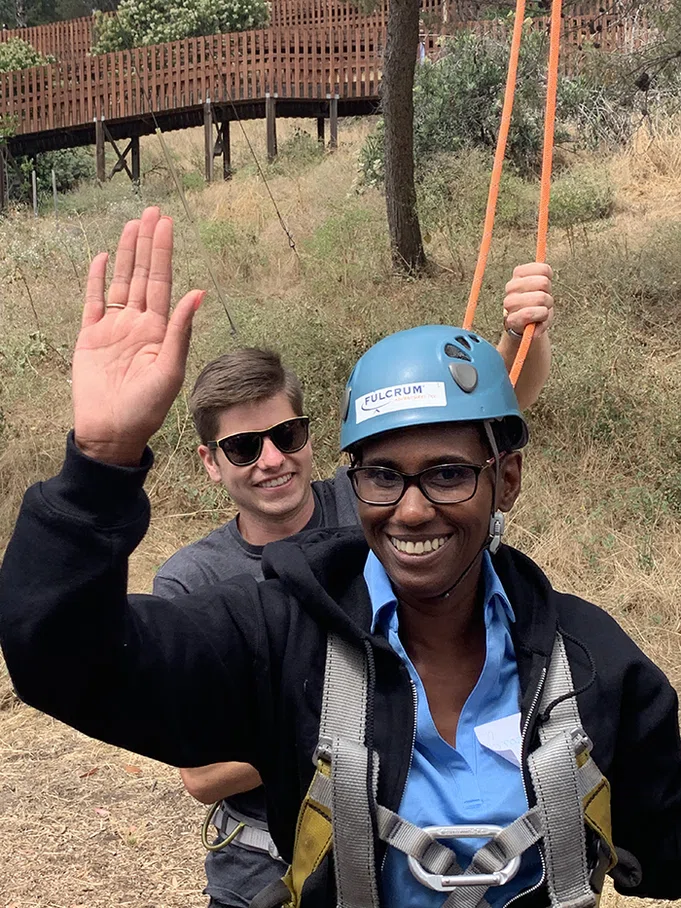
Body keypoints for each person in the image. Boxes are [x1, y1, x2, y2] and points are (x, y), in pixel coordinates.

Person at [2, 209, 679, 908]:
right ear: (355, 484)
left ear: (504, 480)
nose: (411, 509)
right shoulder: (279, 641)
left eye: (447, 474)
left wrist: (512, 338)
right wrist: (101, 462)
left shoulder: (589, 663)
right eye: (383, 476)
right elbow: (65, 663)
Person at [155, 257, 553, 907]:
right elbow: (201, 775)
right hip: (261, 865)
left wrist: (515, 335)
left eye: (286, 434)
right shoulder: (194, 582)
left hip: (399, 845)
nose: (272, 460)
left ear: (312, 436)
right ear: (208, 462)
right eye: (243, 447)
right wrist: (372, 724)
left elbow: (489, 411)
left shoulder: (372, 502)